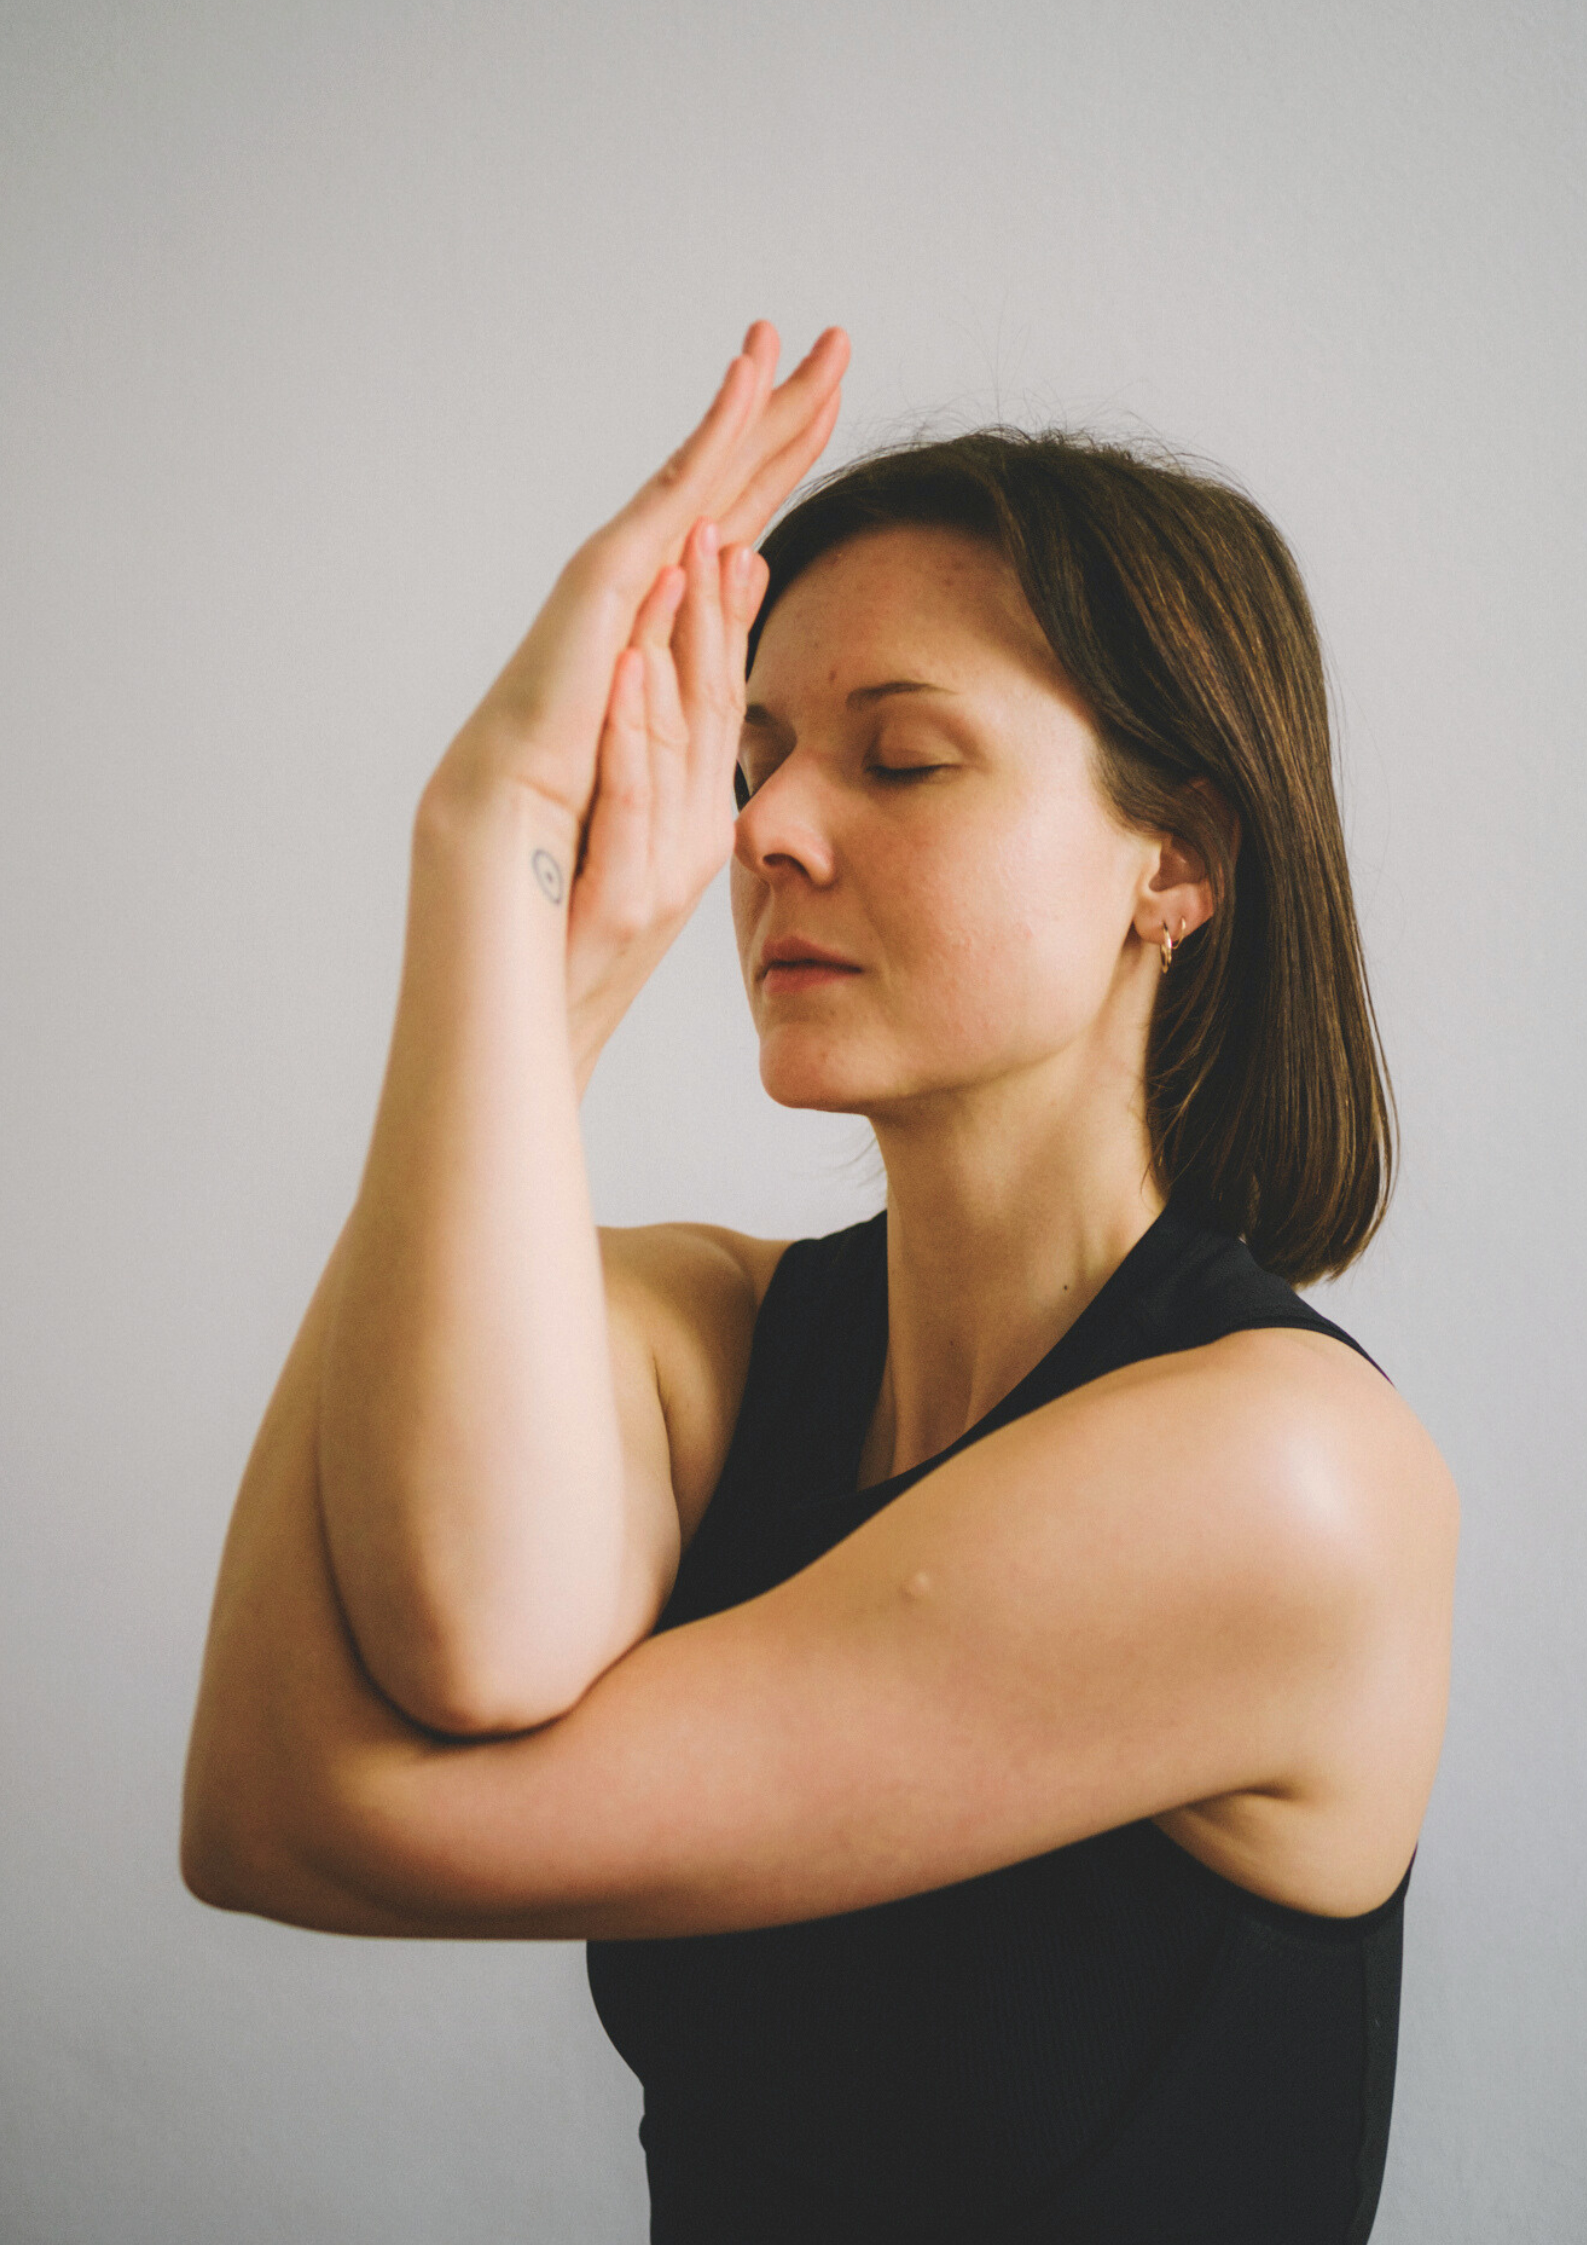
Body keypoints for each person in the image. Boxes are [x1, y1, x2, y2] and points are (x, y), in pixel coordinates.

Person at [182, 320, 1459, 2244]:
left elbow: (292, 1815)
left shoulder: (1279, 1478)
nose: (761, 830)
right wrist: (538, 952)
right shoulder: (701, 1331)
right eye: (757, 757)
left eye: (904, 758)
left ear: (1172, 865)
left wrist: (491, 839)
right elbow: (467, 1649)